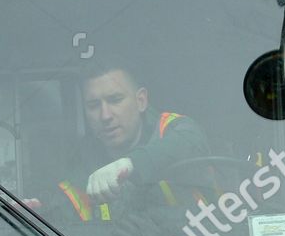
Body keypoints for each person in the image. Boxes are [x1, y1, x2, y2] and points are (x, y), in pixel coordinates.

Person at [52, 62, 211, 224]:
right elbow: (60, 216)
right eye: (94, 106)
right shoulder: (80, 172)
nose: (105, 115)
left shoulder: (174, 130)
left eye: (115, 100)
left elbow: (191, 142)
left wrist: (129, 164)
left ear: (141, 101)